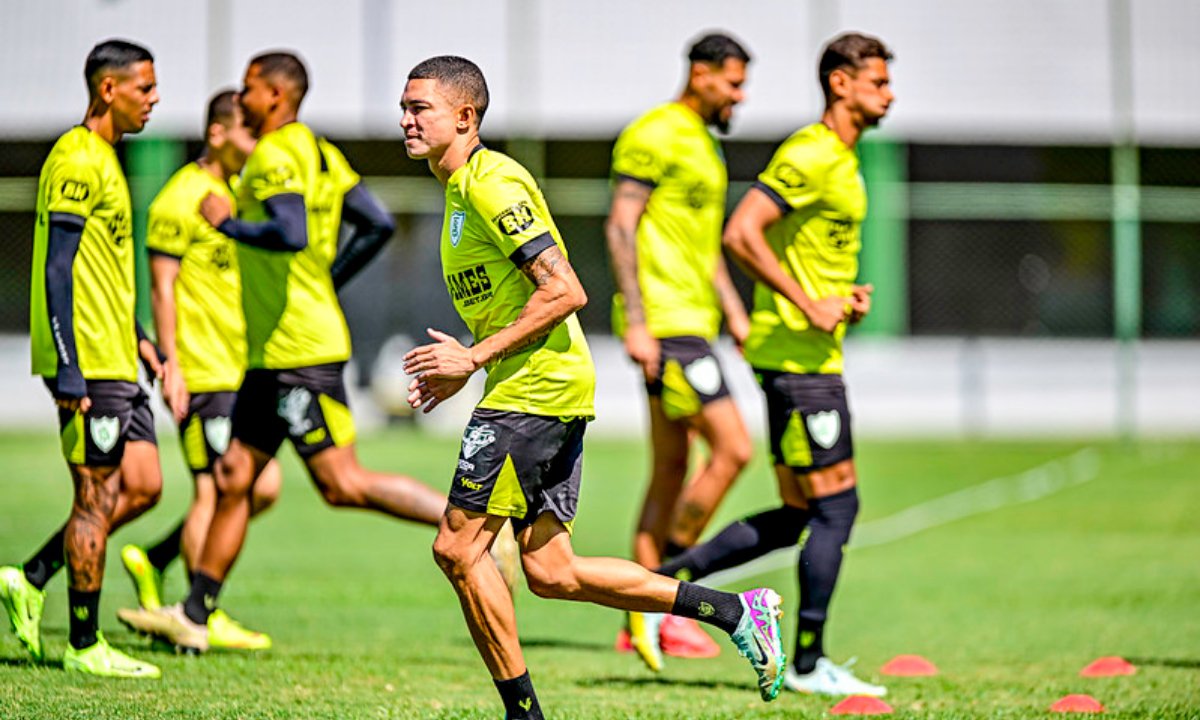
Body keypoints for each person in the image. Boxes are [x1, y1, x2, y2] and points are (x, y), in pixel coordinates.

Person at [399, 55, 787, 720]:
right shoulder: (461, 190)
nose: (406, 120)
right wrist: (470, 363)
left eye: (419, 109)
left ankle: (524, 715)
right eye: (404, 108)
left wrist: (474, 358)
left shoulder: (493, 183)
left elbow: (565, 290)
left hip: (536, 390)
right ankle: (732, 610)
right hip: (540, 386)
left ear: (465, 117)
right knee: (553, 573)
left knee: (458, 548)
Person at [118, 51, 448, 653]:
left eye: (248, 87)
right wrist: (325, 281)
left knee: (342, 483)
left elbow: (289, 232)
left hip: (298, 353)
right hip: (274, 352)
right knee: (234, 477)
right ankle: (194, 614)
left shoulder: (272, 154)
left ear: (274, 95)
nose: (241, 97)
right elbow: (375, 224)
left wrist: (229, 225)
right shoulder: (318, 150)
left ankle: (472, 525)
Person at [647, 32, 895, 697]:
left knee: (798, 513)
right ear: (840, 83)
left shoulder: (844, 159)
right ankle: (810, 663)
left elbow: (802, 257)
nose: (889, 94)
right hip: (797, 364)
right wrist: (806, 303)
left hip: (808, 355)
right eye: (877, 82)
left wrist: (840, 299)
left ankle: (662, 586)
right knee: (837, 507)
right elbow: (740, 232)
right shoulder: (810, 152)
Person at [0, 39, 164, 678]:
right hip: (89, 362)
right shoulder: (75, 156)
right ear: (108, 89)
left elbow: (105, 272)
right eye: (144, 88)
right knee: (95, 498)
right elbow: (57, 268)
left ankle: (30, 576)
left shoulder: (107, 158)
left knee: (144, 485)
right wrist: (67, 365)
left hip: (118, 356)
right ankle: (84, 643)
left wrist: (141, 338)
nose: (154, 99)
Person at [116, 90, 282, 651]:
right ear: (217, 133)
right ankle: (198, 616)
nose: (257, 143)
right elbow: (161, 289)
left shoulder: (237, 194)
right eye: (248, 132)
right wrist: (172, 366)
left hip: (243, 369)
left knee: (262, 486)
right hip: (203, 370)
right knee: (213, 490)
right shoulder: (179, 198)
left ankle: (159, 560)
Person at [606, 32, 754, 660]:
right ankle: (676, 590)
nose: (739, 96)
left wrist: (735, 312)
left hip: (695, 322)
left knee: (671, 468)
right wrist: (638, 323)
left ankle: (642, 615)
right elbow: (621, 226)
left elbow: (704, 244)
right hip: (666, 327)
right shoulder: (654, 133)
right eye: (733, 83)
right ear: (701, 74)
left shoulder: (705, 146)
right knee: (734, 449)